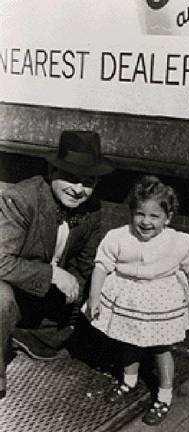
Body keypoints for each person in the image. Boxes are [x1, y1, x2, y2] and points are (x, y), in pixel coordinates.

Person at [83, 175, 189, 426]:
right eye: (140, 214)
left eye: (155, 216)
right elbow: (101, 266)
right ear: (131, 213)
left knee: (161, 347)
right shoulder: (118, 237)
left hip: (161, 298)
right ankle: (129, 381)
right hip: (129, 296)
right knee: (129, 340)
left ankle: (164, 395)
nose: (146, 222)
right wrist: (94, 297)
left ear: (168, 218)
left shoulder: (178, 242)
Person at [0, 130, 113, 399]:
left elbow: (87, 264)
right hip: (10, 283)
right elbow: (1, 261)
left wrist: (103, 295)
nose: (79, 189)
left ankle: (23, 335)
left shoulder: (91, 209)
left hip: (42, 299)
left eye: (88, 182)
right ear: (52, 171)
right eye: (71, 179)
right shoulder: (21, 198)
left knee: (58, 344)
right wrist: (53, 274)